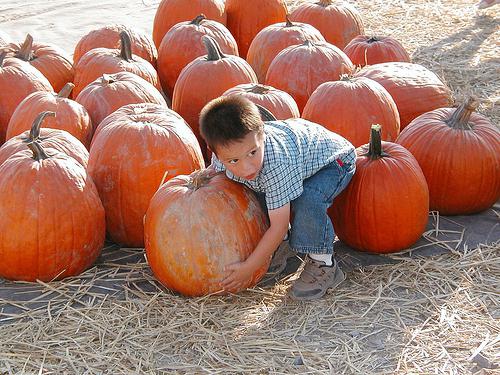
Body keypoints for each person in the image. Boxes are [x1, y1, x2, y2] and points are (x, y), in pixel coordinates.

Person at [199, 96, 356, 300]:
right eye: (234, 160)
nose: (247, 167)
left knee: (308, 200)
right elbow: (216, 172)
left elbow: (279, 225)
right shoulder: (223, 157)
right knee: (256, 188)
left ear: (261, 135)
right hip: (298, 161)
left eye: (253, 152)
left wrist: (250, 267)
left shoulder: (276, 164)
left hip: (332, 162)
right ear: (217, 154)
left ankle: (324, 264)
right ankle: (284, 246)